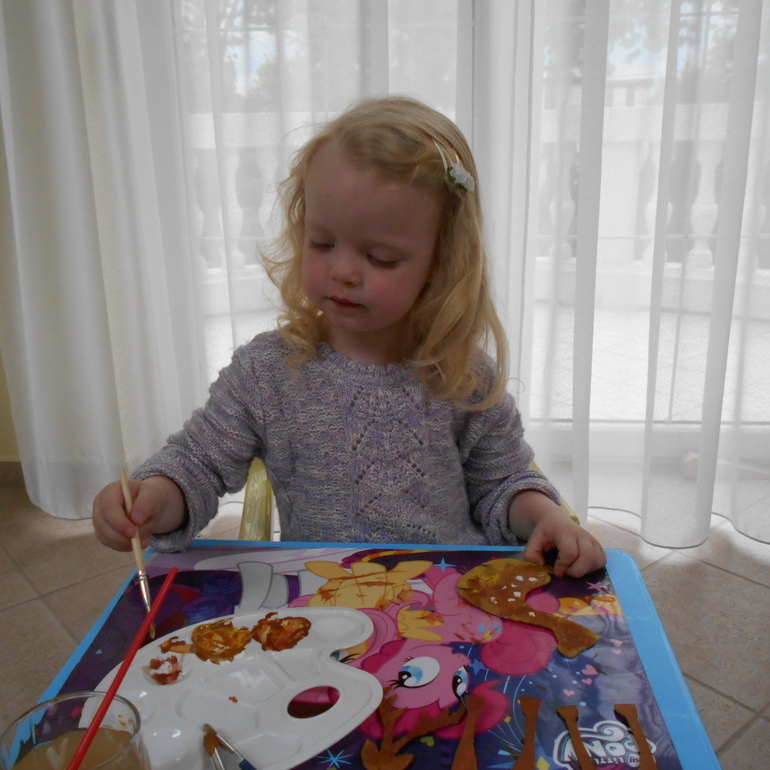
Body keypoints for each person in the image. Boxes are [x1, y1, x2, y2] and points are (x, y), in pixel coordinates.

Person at [92, 96, 605, 578]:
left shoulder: (462, 375)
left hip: (446, 599)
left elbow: (504, 481)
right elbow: (198, 462)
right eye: (321, 243)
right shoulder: (266, 372)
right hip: (323, 602)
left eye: (379, 258)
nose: (342, 271)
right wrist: (154, 497)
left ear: (440, 263)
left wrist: (545, 517)